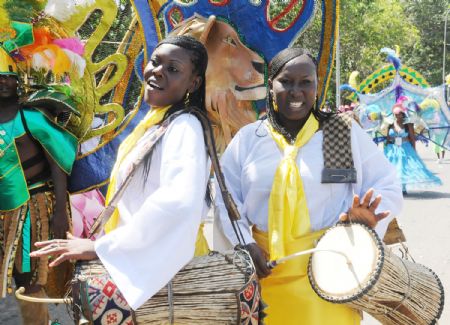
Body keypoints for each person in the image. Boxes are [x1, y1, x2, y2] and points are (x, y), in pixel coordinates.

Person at [214, 47, 403, 324]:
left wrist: (366, 223)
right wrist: (245, 244)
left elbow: (386, 184)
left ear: (317, 86)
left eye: (306, 82)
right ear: (271, 85)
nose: (296, 91)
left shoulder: (338, 134)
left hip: (331, 273)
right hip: (263, 273)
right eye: (286, 81)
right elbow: (225, 199)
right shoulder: (249, 140)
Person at [31, 35, 211, 311]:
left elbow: (178, 203)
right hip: (144, 271)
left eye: (173, 69)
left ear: (194, 83)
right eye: (155, 62)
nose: (158, 71)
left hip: (165, 280)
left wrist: (102, 248)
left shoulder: (184, 127)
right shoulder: (157, 122)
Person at [0, 46, 77, 324]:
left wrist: (58, 212)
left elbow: (58, 162)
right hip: (5, 208)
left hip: (36, 207)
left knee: (30, 272)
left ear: (17, 80)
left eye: (8, 76)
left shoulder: (30, 118)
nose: (3, 82)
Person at [384, 105, 442, 194]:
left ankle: (403, 188)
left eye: (399, 114)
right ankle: (395, 187)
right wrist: (388, 146)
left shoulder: (408, 125)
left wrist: (414, 150)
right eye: (395, 114)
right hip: (393, 149)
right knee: (394, 168)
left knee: (404, 167)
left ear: (402, 114)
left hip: (405, 148)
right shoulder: (390, 124)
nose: (397, 116)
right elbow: (388, 139)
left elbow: (412, 138)